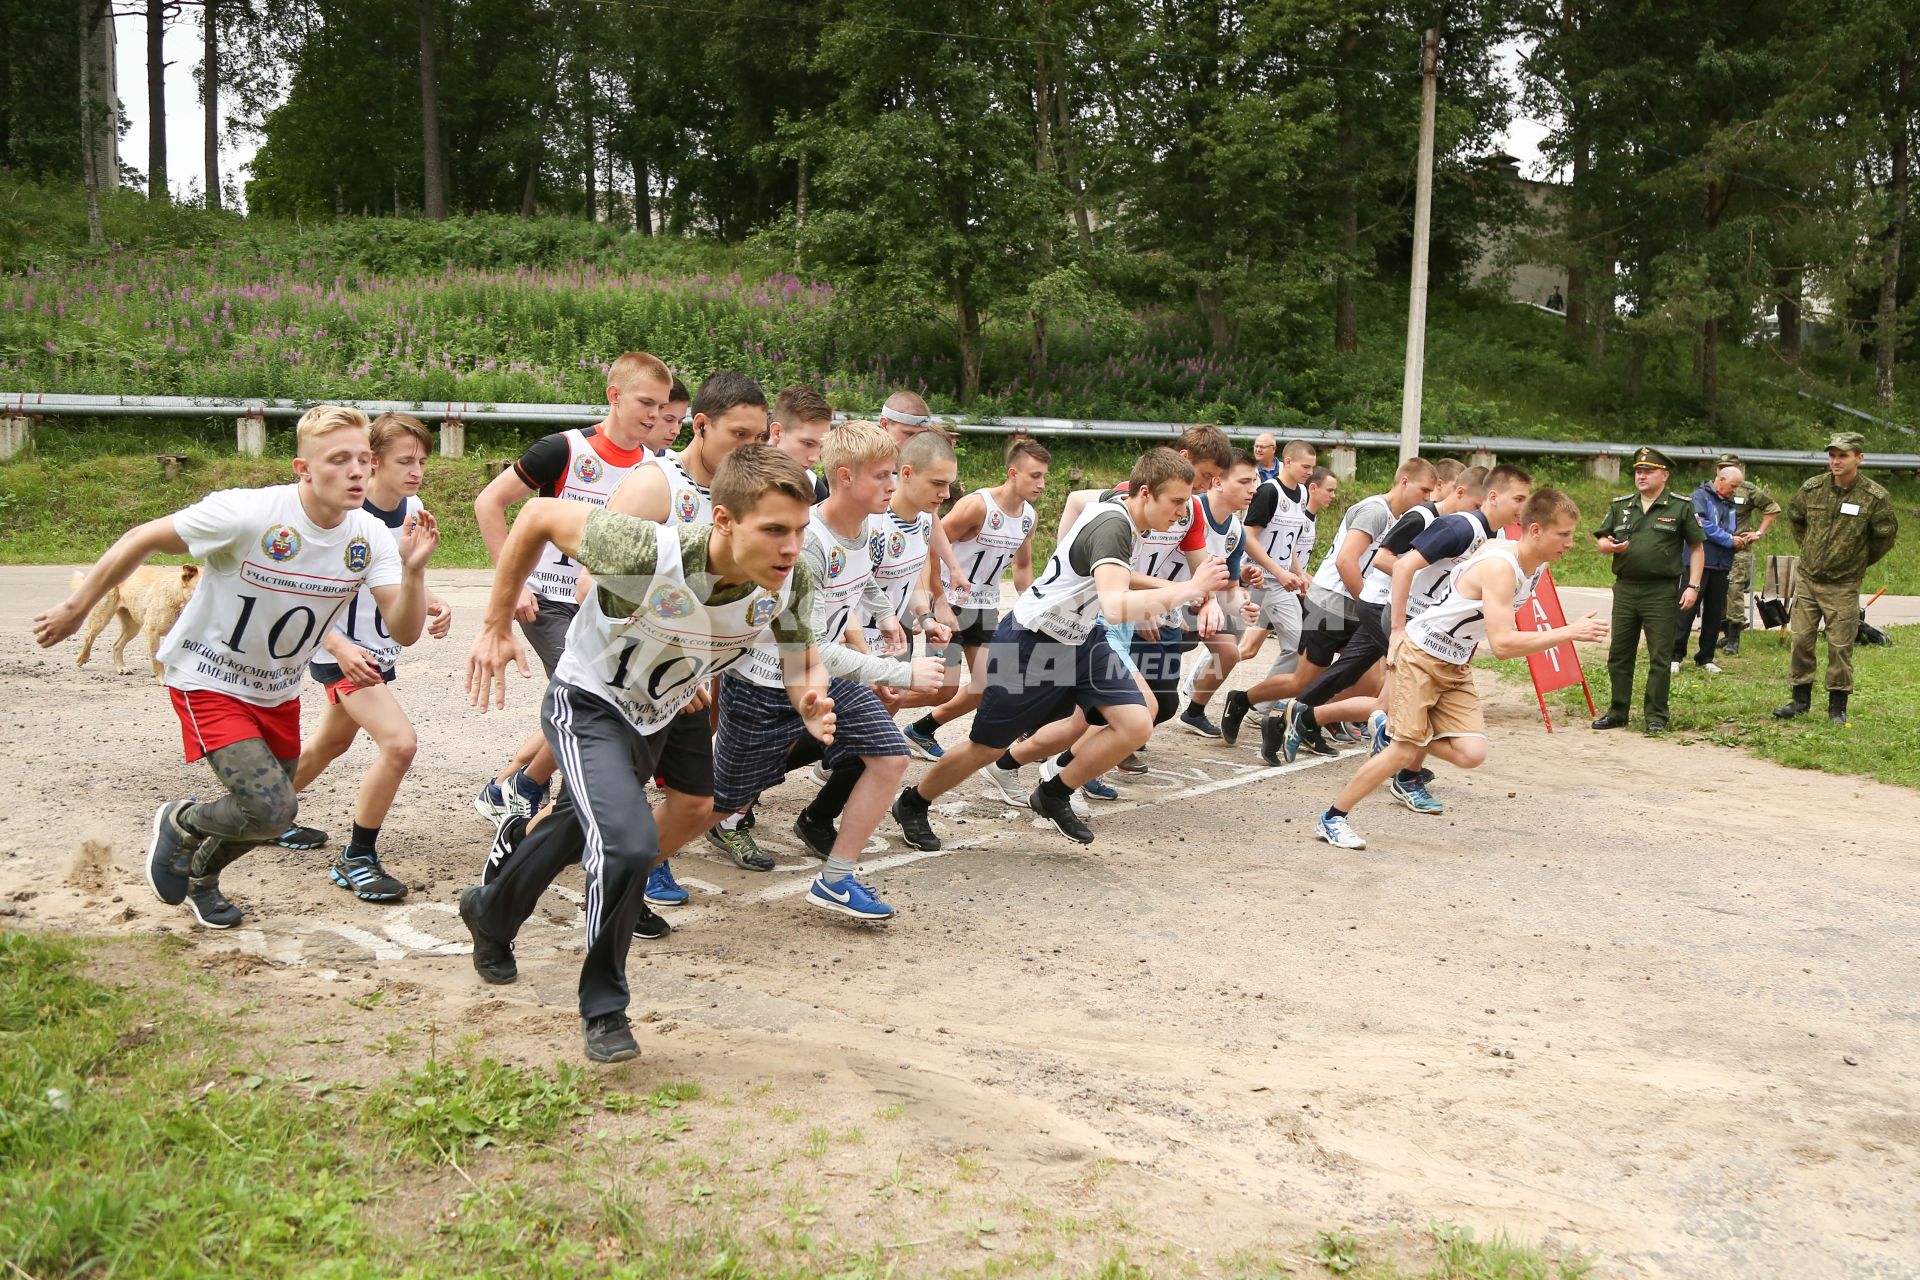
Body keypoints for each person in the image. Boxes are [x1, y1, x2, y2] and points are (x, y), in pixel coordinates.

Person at [459, 445, 833, 1063]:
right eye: (774, 530)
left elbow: (801, 658)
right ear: (723, 522)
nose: (791, 547)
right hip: (592, 701)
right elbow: (536, 518)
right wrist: (496, 622)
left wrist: (808, 695)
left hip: (670, 705)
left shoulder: (789, 580)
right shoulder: (649, 552)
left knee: (679, 811)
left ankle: (491, 909)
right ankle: (604, 1004)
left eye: (798, 530)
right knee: (629, 842)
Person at [32, 406, 437, 928]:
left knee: (268, 817)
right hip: (209, 676)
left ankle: (202, 877)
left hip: (277, 687)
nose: (357, 470)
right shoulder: (248, 513)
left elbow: (404, 630)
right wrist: (76, 607)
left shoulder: (373, 537)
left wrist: (412, 572)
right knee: (273, 810)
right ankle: (180, 820)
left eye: (362, 458)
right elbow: (142, 538)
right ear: (303, 468)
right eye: (339, 460)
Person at [890, 448, 1228, 849]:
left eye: (1186, 502)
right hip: (1032, 641)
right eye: (1175, 501)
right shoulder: (1114, 527)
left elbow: (1081, 503)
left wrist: (1179, 590)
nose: (1181, 512)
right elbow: (1117, 606)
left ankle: (1054, 792)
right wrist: (1189, 590)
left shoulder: (1117, 504)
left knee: (1136, 722)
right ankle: (913, 802)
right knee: (986, 746)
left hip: (1082, 638)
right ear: (1143, 493)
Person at [708, 421, 944, 917]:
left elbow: (860, 578)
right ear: (843, 477)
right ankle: (653, 851)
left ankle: (835, 879)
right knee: (715, 801)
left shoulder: (868, 526)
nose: (891, 486)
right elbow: (808, 645)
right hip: (766, 682)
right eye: (882, 476)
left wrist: (882, 612)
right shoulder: (808, 541)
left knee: (889, 755)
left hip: (822, 676)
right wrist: (896, 671)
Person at [1313, 489, 1606, 850]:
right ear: (1534, 531)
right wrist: (1569, 633)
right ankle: (1333, 818)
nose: (1570, 543)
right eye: (1563, 534)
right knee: (1404, 753)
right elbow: (1502, 645)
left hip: (1454, 661)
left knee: (1472, 754)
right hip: (1423, 654)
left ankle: (1392, 726)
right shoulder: (1501, 568)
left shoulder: (1532, 565)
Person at [472, 352, 674, 830]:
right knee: (596, 697)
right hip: (549, 601)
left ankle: (518, 787)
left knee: (594, 699)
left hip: (604, 605)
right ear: (614, 395)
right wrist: (513, 582)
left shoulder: (657, 468)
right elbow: (489, 503)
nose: (654, 415)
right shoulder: (562, 449)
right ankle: (552, 803)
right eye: (646, 402)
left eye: (663, 407)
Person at [600, 370, 771, 904]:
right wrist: (670, 654)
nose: (751, 448)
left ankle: (638, 869)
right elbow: (598, 581)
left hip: (683, 677)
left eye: (760, 438)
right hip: (627, 671)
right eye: (739, 436)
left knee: (693, 803)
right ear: (700, 426)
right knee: (596, 806)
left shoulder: (746, 498)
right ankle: (511, 872)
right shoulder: (658, 484)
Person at [289, 413, 454, 901]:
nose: (416, 471)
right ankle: (356, 856)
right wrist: (336, 647)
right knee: (399, 744)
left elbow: (397, 582)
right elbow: (305, 591)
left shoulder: (411, 508)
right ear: (373, 462)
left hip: (376, 649)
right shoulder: (342, 516)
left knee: (330, 743)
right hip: (336, 649)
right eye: (405, 461)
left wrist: (431, 599)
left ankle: (261, 813)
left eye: (422, 461)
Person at [1217, 457, 1438, 760]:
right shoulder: (1375, 511)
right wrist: (1368, 606)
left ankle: (1302, 720)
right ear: (1404, 482)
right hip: (1332, 603)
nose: (1427, 498)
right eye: (1424, 489)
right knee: (1303, 680)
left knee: (1369, 681)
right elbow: (1345, 561)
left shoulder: (1402, 517)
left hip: (1359, 606)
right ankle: (1245, 700)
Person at [901, 437, 1049, 760]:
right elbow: (931, 544)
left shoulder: (1028, 517)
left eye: (1044, 477)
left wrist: (1035, 606)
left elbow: (1023, 567)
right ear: (1013, 473)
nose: (1041, 484)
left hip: (984, 607)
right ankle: (876, 702)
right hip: (951, 603)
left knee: (990, 685)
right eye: (1034, 476)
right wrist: (938, 596)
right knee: (943, 690)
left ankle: (921, 730)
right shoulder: (978, 506)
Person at [1773, 431, 1899, 725]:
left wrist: (1857, 561)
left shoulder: (1874, 497)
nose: (1836, 460)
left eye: (1843, 455)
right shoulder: (1812, 488)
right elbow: (1796, 518)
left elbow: (1884, 537)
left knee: (1840, 646)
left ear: (1859, 458)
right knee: (1802, 640)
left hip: (1843, 584)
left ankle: (1837, 708)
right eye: (1832, 455)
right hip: (1808, 580)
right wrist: (1810, 551)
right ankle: (1800, 700)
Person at [1588, 447, 1704, 735]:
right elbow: (1602, 539)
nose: (1641, 476)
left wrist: (1693, 586)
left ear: (1664, 475)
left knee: (1659, 656)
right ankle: (1617, 711)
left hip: (1661, 591)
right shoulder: (1622, 505)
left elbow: (1697, 548)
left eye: (1648, 471)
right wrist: (1608, 546)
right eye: (1638, 471)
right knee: (1619, 653)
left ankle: (1656, 715)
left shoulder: (1680, 506)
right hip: (1626, 588)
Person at [1671, 463, 1741, 675]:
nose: (1735, 490)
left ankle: (1706, 657)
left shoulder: (1730, 502)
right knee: (1686, 609)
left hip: (1722, 564)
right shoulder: (1699, 496)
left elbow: (1730, 527)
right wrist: (1730, 540)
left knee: (1714, 612)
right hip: (1697, 563)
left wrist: (1739, 538)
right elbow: (1702, 525)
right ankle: (1674, 656)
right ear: (1720, 479)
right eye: (1733, 485)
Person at [1718, 452, 1779, 656]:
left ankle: (1734, 638)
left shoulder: (1747, 490)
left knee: (1734, 590)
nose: (1724, 470)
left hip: (1738, 548)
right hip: (1714, 547)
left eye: (1730, 466)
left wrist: (1759, 533)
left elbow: (1772, 507)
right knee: (1715, 591)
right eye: (1721, 467)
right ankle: (1723, 631)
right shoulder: (1709, 489)